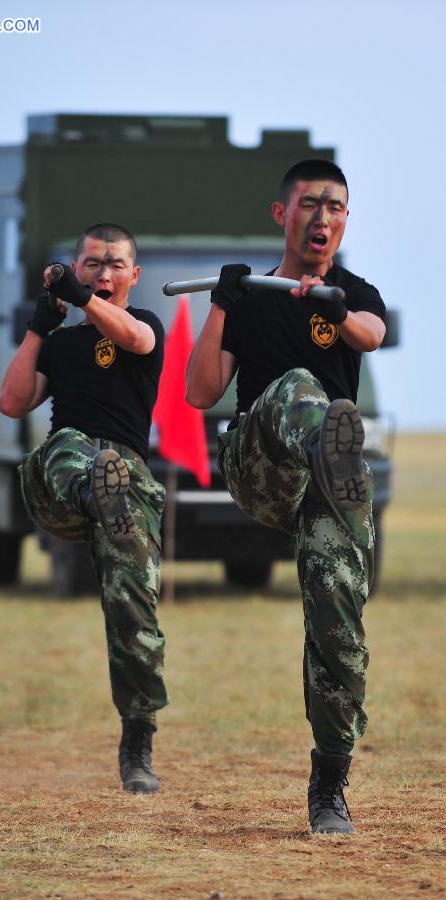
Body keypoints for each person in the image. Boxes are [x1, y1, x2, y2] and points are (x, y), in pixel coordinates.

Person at [186, 160, 386, 834]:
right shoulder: (250, 295)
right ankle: (320, 445)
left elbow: (370, 335)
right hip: (260, 463)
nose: (321, 216)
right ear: (283, 214)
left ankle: (329, 780)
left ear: (344, 219)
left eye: (335, 205)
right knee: (300, 385)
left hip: (325, 486)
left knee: (337, 608)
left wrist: (334, 305)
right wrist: (219, 304)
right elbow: (198, 392)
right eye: (309, 203)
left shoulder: (355, 295)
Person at [0, 223, 168, 794]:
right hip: (65, 478)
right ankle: (94, 488)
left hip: (128, 486)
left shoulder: (145, 325)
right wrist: (38, 328)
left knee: (134, 607)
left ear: (134, 276)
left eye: (116, 264)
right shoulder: (63, 342)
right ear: (77, 266)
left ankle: (137, 741)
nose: (104, 273)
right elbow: (12, 402)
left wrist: (82, 299)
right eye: (92, 263)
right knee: (73, 444)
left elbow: (134, 342)